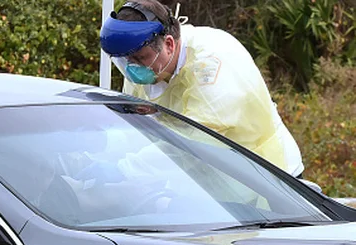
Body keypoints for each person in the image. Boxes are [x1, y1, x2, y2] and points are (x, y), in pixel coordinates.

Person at [99, 0, 305, 178]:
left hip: (269, 178)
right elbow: (134, 124)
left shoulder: (211, 66)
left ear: (169, 44)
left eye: (139, 58)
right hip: (213, 181)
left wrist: (122, 170)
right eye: (125, 61)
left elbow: (186, 144)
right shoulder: (149, 65)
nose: (133, 68)